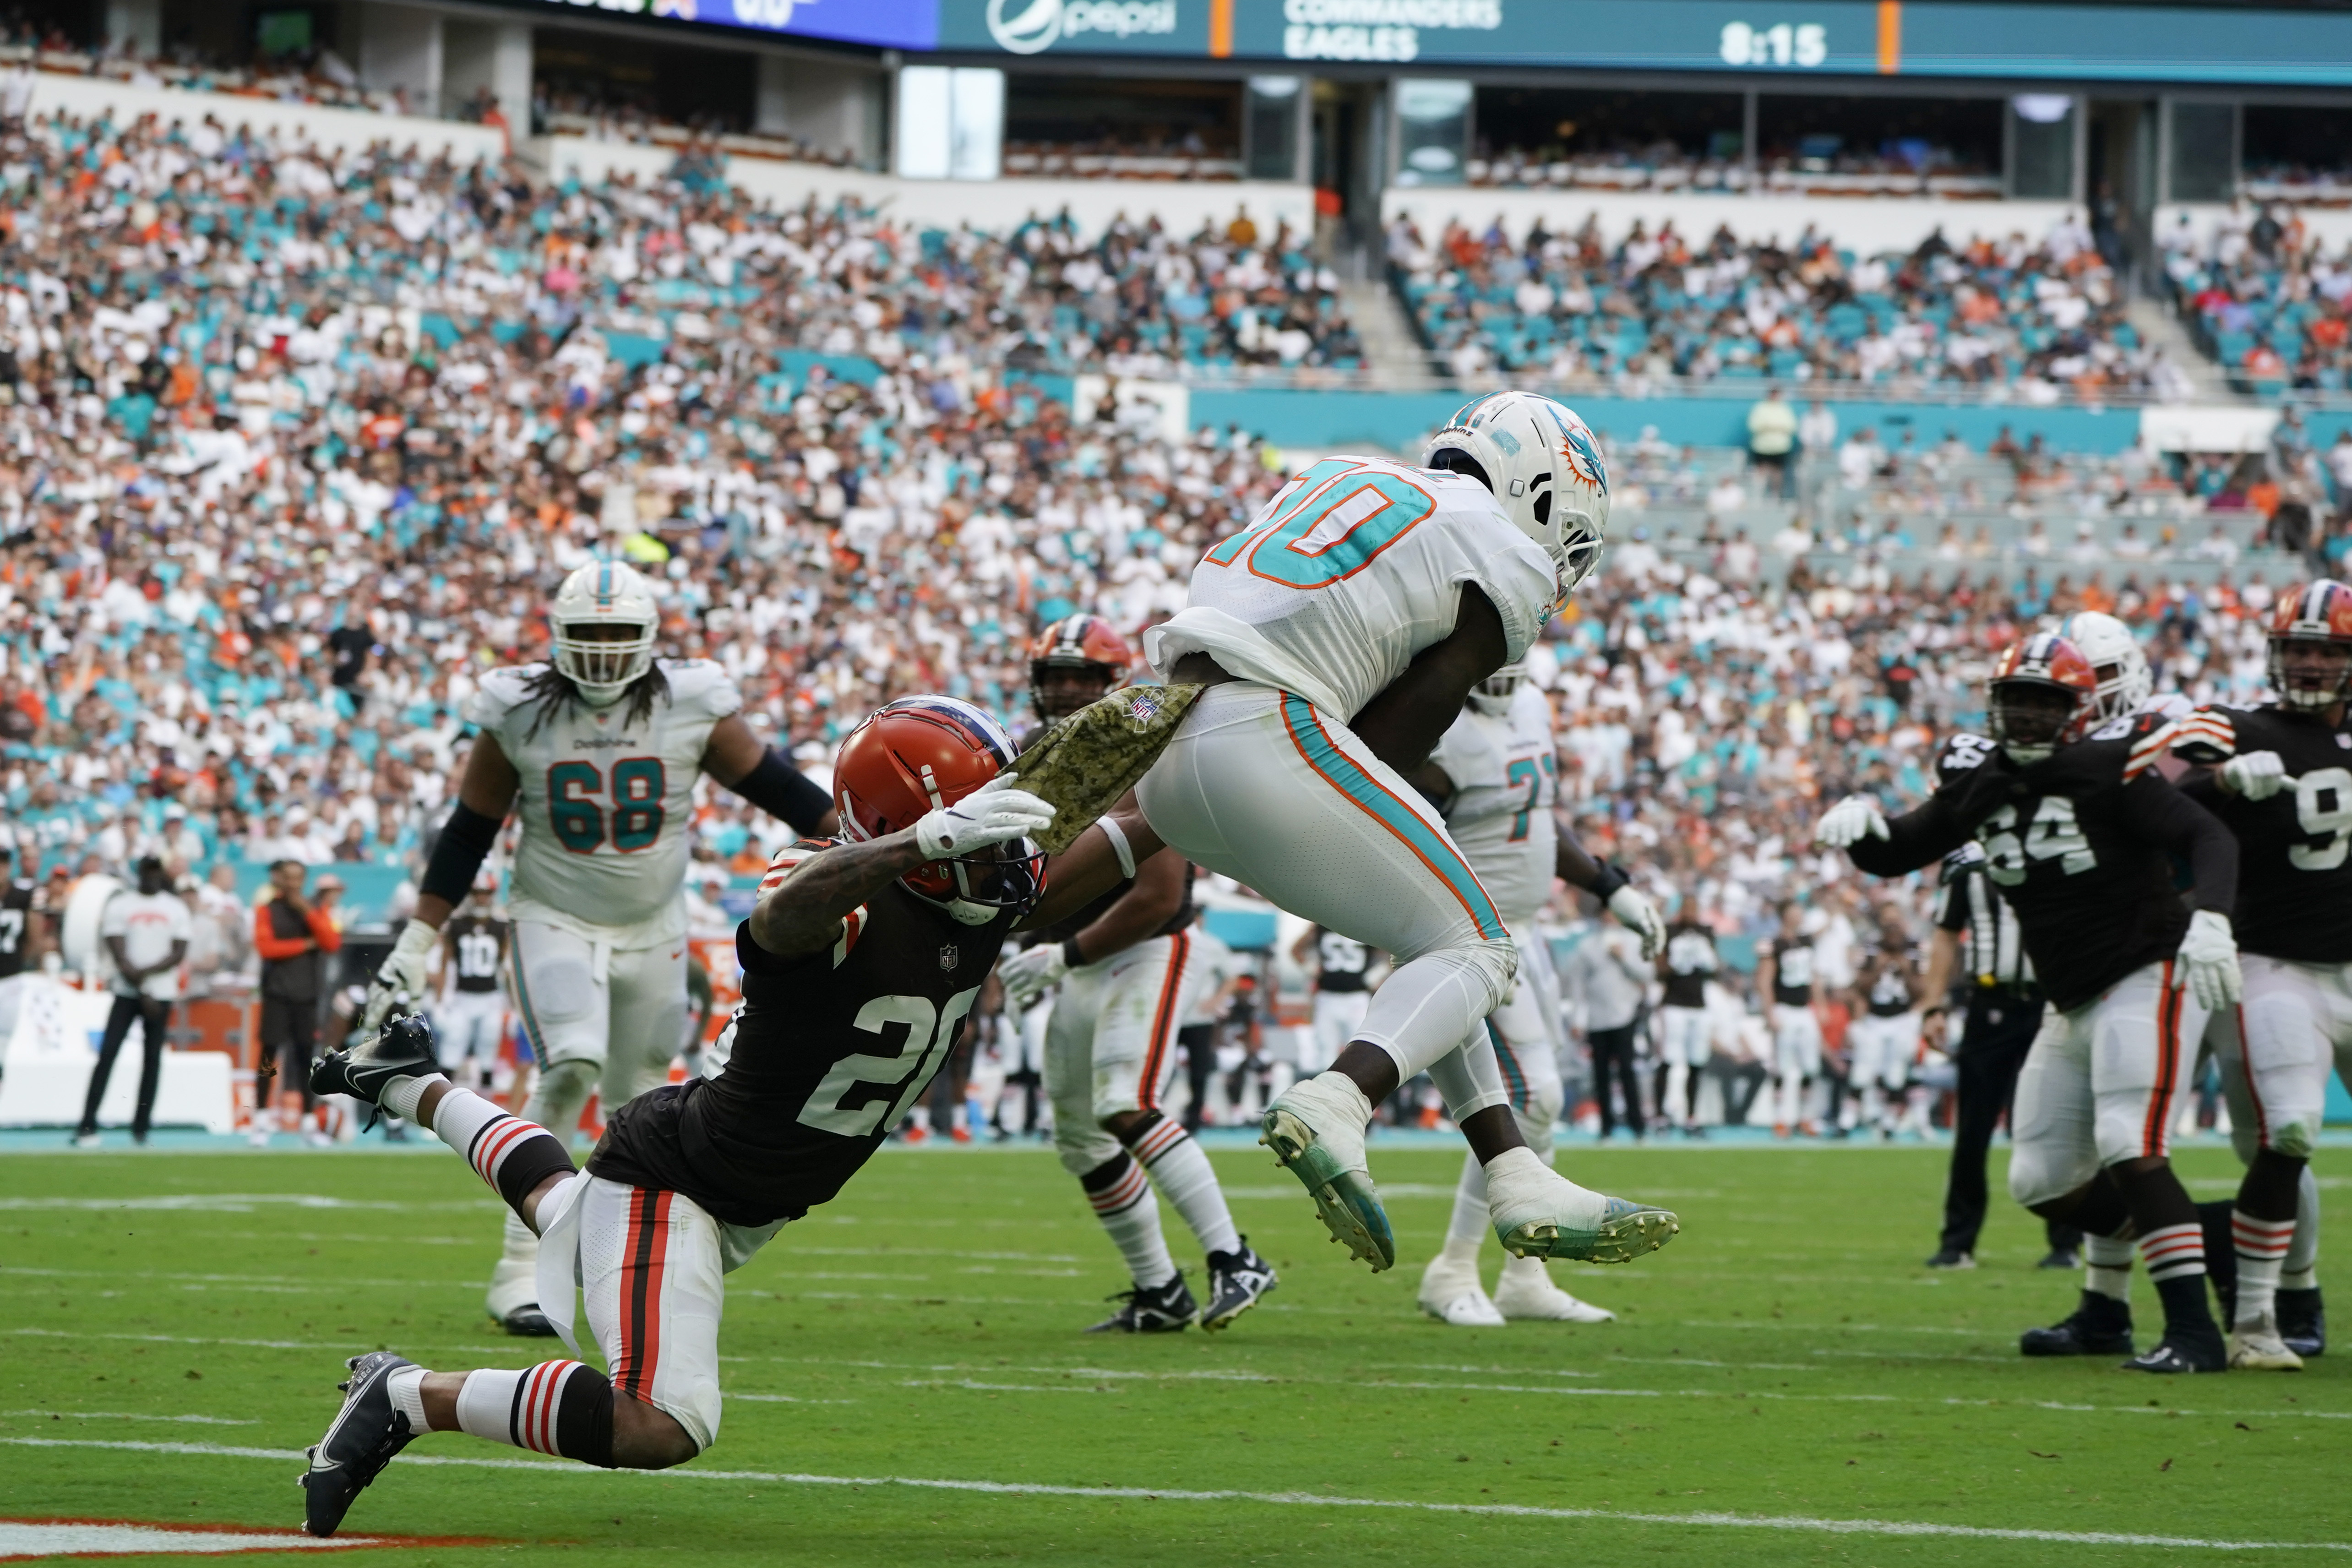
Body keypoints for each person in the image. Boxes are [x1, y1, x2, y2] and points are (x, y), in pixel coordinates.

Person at [294, 695, 1131, 1538]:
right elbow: (779, 920)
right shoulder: (832, 885)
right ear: (908, 830)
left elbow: (1149, 825)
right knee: (660, 1419)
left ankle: (404, 1080)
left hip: (736, 1185)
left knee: (562, 1211)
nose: (1009, 858)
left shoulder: (978, 891)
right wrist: (919, 842)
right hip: (681, 1178)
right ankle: (407, 1393)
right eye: (980, 837)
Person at [1132, 390, 1677, 1275]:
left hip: (1168, 745)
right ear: (1538, 489)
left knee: (1433, 937)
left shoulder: (1343, 472)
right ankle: (1342, 1097)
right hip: (1270, 733)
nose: (1562, 560)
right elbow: (1397, 735)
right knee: (1480, 941)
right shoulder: (1499, 545)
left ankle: (1514, 1170)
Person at [356, 560, 839, 1336]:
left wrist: (875, 848)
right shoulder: (518, 709)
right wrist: (421, 934)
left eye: (621, 634)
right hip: (556, 911)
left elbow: (784, 792)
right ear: (559, 640)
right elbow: (471, 828)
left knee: (642, 1098)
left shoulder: (692, 703)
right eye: (591, 634)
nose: (608, 650)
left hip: (655, 924)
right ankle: (519, 1264)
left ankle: (626, 1268)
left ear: (649, 639)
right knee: (571, 1061)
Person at [1818, 632, 2243, 1373]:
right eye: (2016, 699)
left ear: (2076, 712)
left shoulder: (2113, 765)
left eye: (2046, 702)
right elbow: (1899, 848)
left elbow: (2205, 833)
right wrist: (1862, 831)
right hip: (2071, 994)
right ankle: (2205, 1243)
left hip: (2148, 968)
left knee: (2129, 1143)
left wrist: (2212, 916)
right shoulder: (1978, 777)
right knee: (2040, 1178)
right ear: (1993, 703)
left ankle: (2194, 1333)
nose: (2027, 715)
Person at [997, 615, 1275, 1334]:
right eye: (1053, 678)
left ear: (1111, 684)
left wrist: (1062, 955)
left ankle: (1234, 1257)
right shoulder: (1030, 752)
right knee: (1081, 1139)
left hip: (1146, 946)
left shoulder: (1142, 744)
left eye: (1079, 679)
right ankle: (1159, 1290)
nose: (1063, 693)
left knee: (1126, 1103)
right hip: (1079, 956)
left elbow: (1155, 896)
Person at [1411, 659, 1663, 1326]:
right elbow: (1406, 845)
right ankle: (1453, 1269)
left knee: (1540, 1110)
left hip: (1529, 933)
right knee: (1534, 1098)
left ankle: (1525, 1276)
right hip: (1475, 938)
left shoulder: (1534, 707)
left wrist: (1612, 886)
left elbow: (1538, 825)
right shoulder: (1435, 727)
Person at [2166, 581, 2352, 1367]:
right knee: (2290, 1130)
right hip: (2276, 965)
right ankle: (2258, 1318)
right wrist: (2222, 782)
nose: (2310, 662)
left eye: (2328, 649)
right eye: (2298, 647)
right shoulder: (2233, 725)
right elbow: (2165, 801)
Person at [1920, 842, 2084, 1273]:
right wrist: (1933, 1005)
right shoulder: (1970, 865)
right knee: (1972, 1129)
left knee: (2054, 1125)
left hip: (2051, 1003)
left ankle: (2066, 1242)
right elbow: (1945, 935)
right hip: (1989, 1005)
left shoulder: (2057, 849)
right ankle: (1957, 1242)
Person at [75, 857, 190, 1147]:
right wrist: (142, 986)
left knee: (152, 1060)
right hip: (128, 992)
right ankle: (88, 1124)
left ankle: (141, 1128)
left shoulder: (175, 907)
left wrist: (145, 978)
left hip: (160, 992)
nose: (151, 877)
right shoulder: (121, 904)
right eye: (147, 871)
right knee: (108, 1054)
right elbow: (117, 948)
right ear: (139, 873)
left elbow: (178, 952)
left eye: (156, 872)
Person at [253, 860, 343, 1147]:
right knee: (269, 1057)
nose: (293, 884)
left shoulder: (314, 912)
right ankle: (261, 1119)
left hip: (306, 996)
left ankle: (308, 1121)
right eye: (288, 878)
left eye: (298, 879)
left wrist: (309, 913)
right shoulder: (267, 910)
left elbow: (331, 943)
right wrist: (304, 945)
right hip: (277, 994)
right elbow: (266, 948)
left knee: (307, 1057)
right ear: (279, 879)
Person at [431, 872, 510, 1094]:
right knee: (452, 1048)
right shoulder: (456, 925)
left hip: (491, 999)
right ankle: (441, 1101)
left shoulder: (501, 926)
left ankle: (488, 1108)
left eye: (486, 894)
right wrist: (440, 1001)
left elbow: (508, 968)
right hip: (462, 998)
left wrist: (514, 1007)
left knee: (488, 1051)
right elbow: (444, 964)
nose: (481, 899)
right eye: (477, 893)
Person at [1757, 902, 1823, 1138]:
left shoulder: (1806, 941)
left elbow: (1813, 976)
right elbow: (1765, 980)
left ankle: (1806, 1117)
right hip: (1784, 1008)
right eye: (1794, 910)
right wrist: (1770, 1012)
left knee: (1810, 1067)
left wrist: (1821, 1005)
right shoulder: (1773, 943)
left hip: (1805, 1010)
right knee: (1782, 1067)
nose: (1799, 914)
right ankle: (1780, 1118)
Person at [1846, 930, 1920, 1140]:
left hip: (1902, 1020)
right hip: (1874, 1020)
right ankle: (1847, 1121)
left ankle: (1889, 1124)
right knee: (1862, 1071)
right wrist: (1878, 968)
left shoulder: (1913, 954)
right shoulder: (1871, 954)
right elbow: (1860, 988)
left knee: (1896, 1074)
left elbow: (1921, 991)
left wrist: (1906, 971)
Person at [1655, 910, 1717, 1136]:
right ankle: (1660, 1116)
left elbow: (1716, 968)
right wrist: (1678, 961)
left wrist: (1703, 956)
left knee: (1696, 1062)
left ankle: (1691, 1117)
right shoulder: (1670, 932)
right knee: (1668, 1060)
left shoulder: (1705, 934)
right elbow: (1660, 969)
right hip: (1674, 1005)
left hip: (1698, 1006)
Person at [1291, 924, 1375, 1077]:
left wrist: (1376, 975)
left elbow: (1391, 953)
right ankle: (1327, 1094)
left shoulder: (1368, 924)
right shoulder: (1321, 924)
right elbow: (1296, 950)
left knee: (1360, 1049)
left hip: (1356, 997)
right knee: (1326, 1052)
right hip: (1328, 997)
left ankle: (1358, 1094)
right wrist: (1312, 969)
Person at [0, 844, 47, 1053]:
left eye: (3, 864)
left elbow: (35, 936)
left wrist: (22, 960)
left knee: (3, 1040)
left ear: (9, 866)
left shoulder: (23, 896)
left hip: (10, 975)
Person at [1747, 385, 1797, 500]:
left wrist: (1772, 428)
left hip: (1780, 448)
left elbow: (1791, 426)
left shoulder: (1785, 409)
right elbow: (1754, 425)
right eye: (1773, 393)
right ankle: (1758, 496)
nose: (1775, 396)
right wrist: (1772, 428)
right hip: (1762, 447)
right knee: (1761, 471)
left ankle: (1775, 496)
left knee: (1777, 473)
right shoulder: (1760, 408)